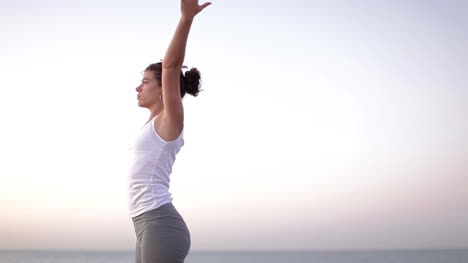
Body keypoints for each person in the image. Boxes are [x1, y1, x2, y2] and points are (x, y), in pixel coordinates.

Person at [128, 1, 211, 262]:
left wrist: (186, 19)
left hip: (160, 224)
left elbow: (171, 67)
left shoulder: (169, 121)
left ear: (164, 89)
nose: (137, 88)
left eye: (144, 82)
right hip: (144, 225)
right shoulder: (151, 125)